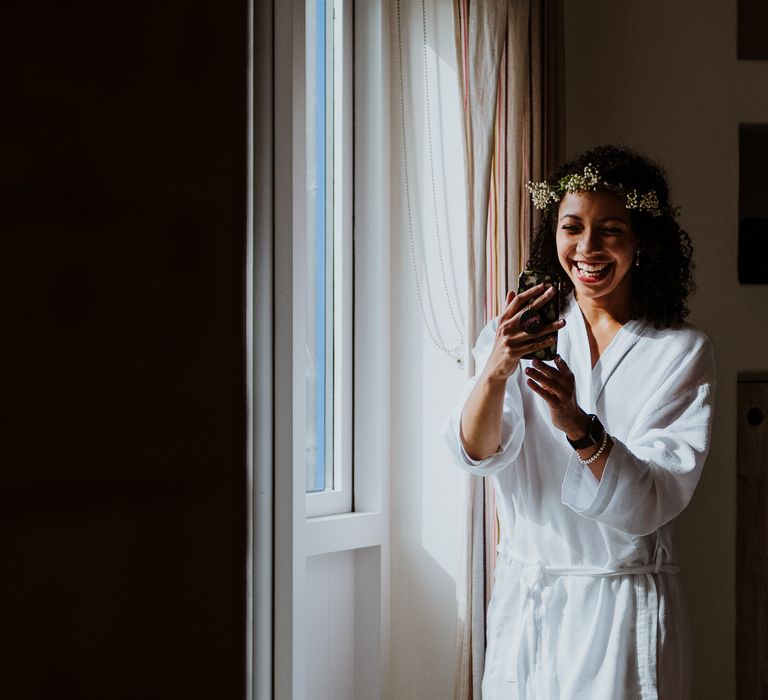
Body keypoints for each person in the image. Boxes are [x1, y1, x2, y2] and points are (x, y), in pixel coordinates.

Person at [444, 145, 715, 699]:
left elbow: (651, 500)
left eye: (610, 230)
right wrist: (497, 367)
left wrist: (576, 423)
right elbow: (475, 452)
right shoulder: (515, 332)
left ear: (642, 241)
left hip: (622, 611)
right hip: (531, 601)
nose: (587, 248)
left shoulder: (680, 353)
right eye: (573, 228)